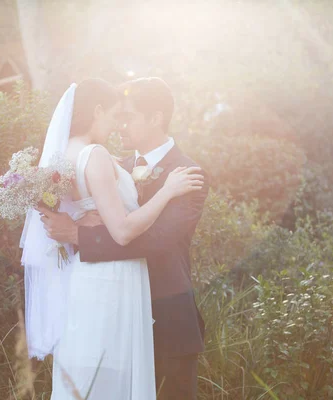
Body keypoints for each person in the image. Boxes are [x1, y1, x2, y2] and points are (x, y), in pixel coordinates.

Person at [39, 77, 209, 400]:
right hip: (113, 313)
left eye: (128, 117)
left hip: (167, 319)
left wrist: (78, 234)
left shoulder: (188, 174)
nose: (119, 126)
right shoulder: (114, 164)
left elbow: (158, 239)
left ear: (156, 118)